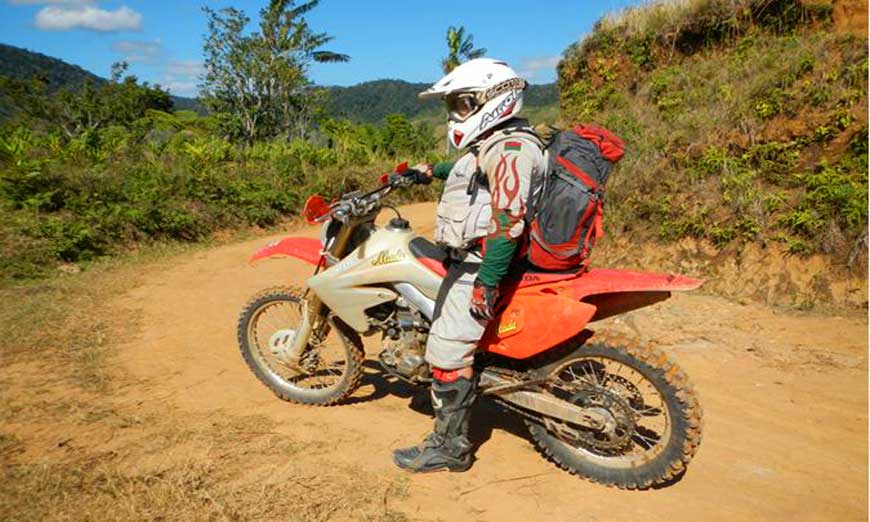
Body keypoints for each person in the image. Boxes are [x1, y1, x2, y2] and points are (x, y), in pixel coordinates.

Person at [393, 58, 546, 473]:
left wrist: (486, 283)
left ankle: (450, 448)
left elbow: (508, 222)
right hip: (473, 258)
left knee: (446, 351)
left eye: (461, 104)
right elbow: (469, 169)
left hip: (482, 264)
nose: (455, 114)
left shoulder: (511, 149)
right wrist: (427, 172)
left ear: (490, 101)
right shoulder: (497, 143)